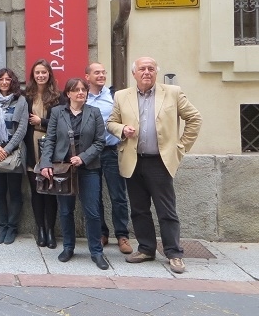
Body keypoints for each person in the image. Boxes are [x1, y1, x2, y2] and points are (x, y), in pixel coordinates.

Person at [107, 57, 202, 274]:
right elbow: (111, 122)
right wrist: (121, 129)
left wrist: (181, 147)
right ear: (135, 74)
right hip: (133, 160)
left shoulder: (173, 92)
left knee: (166, 210)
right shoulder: (122, 96)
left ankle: (174, 253)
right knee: (139, 210)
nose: (146, 72)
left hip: (160, 162)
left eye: (151, 68)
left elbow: (194, 118)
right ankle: (146, 249)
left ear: (156, 72)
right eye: (142, 69)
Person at [39, 77, 108, 269]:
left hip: (88, 169)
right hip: (63, 169)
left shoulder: (94, 113)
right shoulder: (57, 112)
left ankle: (96, 251)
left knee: (92, 212)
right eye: (76, 90)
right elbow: (50, 139)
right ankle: (68, 247)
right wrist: (46, 163)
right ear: (68, 94)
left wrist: (83, 157)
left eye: (83, 90)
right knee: (65, 210)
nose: (81, 93)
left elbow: (100, 141)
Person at [85, 62, 132, 254]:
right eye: (97, 73)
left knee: (118, 196)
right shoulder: (82, 97)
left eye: (104, 72)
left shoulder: (114, 96)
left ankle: (122, 235)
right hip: (90, 153)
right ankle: (101, 233)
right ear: (87, 76)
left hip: (112, 151)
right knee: (94, 197)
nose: (101, 75)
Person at [0, 68, 28, 244]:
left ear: (12, 82)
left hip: (14, 152)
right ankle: (2, 226)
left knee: (15, 193)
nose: (4, 82)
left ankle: (12, 228)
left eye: (7, 79)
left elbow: (22, 127)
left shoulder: (21, 101)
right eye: (1, 79)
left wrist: (8, 148)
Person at [24, 59, 63, 249]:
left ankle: (50, 231)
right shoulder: (27, 96)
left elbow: (62, 124)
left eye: (44, 72)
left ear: (49, 74)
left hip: (52, 148)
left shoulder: (58, 97)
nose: (40, 76)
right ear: (33, 75)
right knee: (36, 192)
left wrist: (41, 121)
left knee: (50, 191)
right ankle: (40, 229)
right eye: (37, 72)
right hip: (32, 148)